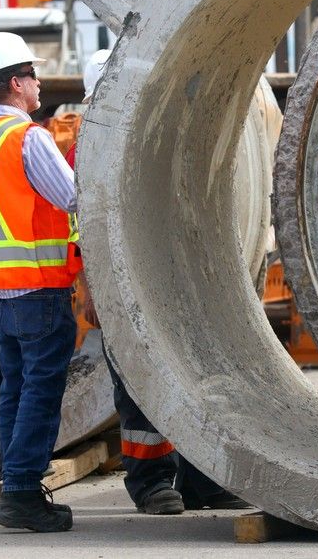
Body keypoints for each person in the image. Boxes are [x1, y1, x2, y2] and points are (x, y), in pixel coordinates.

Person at [70, 49, 249, 514]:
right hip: (118, 288)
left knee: (191, 383)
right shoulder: (85, 148)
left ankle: (200, 481)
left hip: (166, 285)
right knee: (137, 389)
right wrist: (90, 289)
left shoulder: (148, 135)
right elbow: (81, 227)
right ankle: (150, 482)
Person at [0, 32, 81, 533]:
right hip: (38, 286)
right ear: (16, 83)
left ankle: (15, 487)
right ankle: (21, 493)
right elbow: (71, 197)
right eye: (32, 75)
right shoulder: (28, 137)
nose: (38, 83)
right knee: (39, 390)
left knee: (15, 386)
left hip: (3, 290)